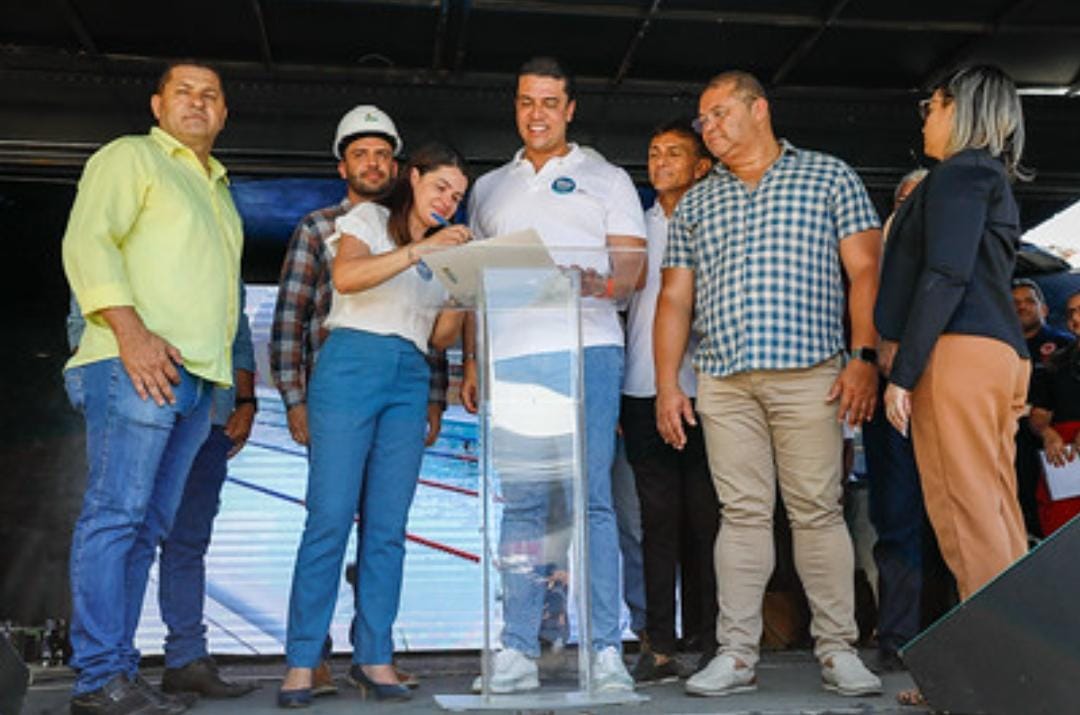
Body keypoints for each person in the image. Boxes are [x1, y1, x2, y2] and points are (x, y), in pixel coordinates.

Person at [656, 69, 884, 698]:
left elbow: (866, 269)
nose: (709, 128)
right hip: (724, 379)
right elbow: (675, 300)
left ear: (760, 109)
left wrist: (863, 355)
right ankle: (736, 654)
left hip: (812, 371)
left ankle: (838, 650)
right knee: (743, 516)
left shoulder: (829, 175)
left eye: (719, 113)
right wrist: (668, 384)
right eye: (703, 119)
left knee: (817, 511)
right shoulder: (698, 200)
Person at [461, 56, 646, 693]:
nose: (535, 114)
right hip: (514, 359)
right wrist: (474, 363)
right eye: (524, 102)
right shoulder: (488, 189)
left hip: (587, 348)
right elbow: (474, 285)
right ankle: (516, 649)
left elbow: (632, 272)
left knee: (591, 497)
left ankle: (603, 651)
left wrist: (592, 280)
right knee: (524, 504)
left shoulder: (608, 178)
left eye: (548, 103)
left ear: (570, 110)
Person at [62, 61, 242, 715]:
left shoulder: (216, 187)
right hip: (134, 362)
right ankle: (97, 677)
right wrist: (132, 333)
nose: (197, 103)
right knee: (116, 515)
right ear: (158, 104)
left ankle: (116, 672)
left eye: (210, 95)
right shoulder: (131, 157)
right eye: (184, 93)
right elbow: (88, 243)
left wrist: (220, 385)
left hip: (195, 379)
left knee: (145, 527)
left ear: (223, 114)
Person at [277, 142, 470, 707]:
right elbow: (350, 277)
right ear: (413, 179)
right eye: (440, 188)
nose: (447, 202)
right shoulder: (367, 218)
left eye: (457, 197)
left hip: (410, 373)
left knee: (387, 528)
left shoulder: (445, 247)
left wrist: (463, 288)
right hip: (350, 363)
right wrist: (424, 250)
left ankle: (375, 657)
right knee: (329, 518)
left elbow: (438, 339)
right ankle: (301, 660)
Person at [878, 64, 1031, 602]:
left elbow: (946, 273)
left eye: (933, 106)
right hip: (995, 351)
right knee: (993, 509)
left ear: (959, 110)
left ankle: (988, 671)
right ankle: (1016, 661)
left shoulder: (960, 174)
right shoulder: (985, 176)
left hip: (958, 350)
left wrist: (905, 371)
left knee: (963, 513)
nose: (925, 118)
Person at [67, 284, 258, 700]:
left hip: (209, 409)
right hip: (142, 396)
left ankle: (186, 660)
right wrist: (98, 391)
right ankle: (115, 670)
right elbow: (82, 319)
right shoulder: (123, 240)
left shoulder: (219, 244)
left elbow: (236, 329)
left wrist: (245, 400)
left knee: (188, 540)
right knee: (126, 529)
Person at [621, 119, 718, 685]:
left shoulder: (720, 220)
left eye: (674, 153)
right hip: (640, 389)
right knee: (654, 523)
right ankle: (657, 641)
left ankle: (710, 640)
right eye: (654, 152)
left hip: (708, 391)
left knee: (707, 521)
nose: (660, 162)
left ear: (702, 166)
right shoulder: (634, 225)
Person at [861, 169, 933, 673]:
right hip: (887, 406)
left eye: (922, 200)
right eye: (903, 199)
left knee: (955, 519)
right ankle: (898, 637)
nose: (910, 209)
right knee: (896, 518)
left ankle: (961, 628)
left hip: (945, 395)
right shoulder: (871, 267)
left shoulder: (951, 260)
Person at [1012, 277, 1072, 537]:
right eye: (1014, 303)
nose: (1022, 307)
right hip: (1018, 439)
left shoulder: (1065, 346)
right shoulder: (1003, 349)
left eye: (1029, 301)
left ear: (1044, 309)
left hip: (1065, 442)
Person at [1028, 289, 1080, 535]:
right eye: (1071, 312)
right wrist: (1047, 433)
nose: (1076, 318)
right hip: (1067, 461)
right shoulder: (1056, 363)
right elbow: (1039, 414)